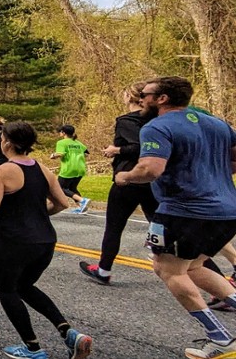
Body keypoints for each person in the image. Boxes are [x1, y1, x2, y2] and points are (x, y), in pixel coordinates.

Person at [114, 76, 236, 359]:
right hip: (227, 210)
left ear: (162, 98)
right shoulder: (215, 123)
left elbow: (150, 170)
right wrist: (210, 170)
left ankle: (220, 338)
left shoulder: (157, 127)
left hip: (184, 210)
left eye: (145, 94)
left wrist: (125, 177)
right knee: (193, 266)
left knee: (167, 269)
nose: (141, 99)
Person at [0, 122, 93, 359]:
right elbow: (63, 203)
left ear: (7, 142)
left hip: (12, 241)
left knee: (7, 291)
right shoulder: (43, 169)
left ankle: (32, 348)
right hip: (44, 240)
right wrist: (38, 215)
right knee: (24, 286)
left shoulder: (1, 171)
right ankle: (69, 333)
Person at [80, 81, 159, 285]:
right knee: (161, 226)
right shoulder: (158, 119)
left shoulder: (127, 121)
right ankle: (201, 270)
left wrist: (117, 151)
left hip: (128, 179)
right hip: (153, 179)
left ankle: (104, 270)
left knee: (114, 227)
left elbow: (139, 147)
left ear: (131, 97)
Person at [52, 125, 91, 214]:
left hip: (69, 168)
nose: (59, 133)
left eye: (60, 132)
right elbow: (86, 153)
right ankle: (81, 207)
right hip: (80, 168)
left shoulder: (62, 142)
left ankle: (82, 200)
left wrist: (53, 155)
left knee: (60, 188)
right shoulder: (78, 143)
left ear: (64, 133)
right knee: (72, 188)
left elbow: (60, 154)